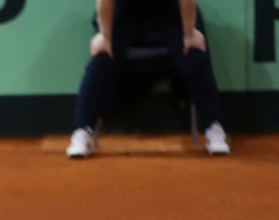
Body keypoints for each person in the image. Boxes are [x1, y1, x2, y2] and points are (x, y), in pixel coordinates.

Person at [66, 0, 230, 158]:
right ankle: (82, 129)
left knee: (194, 55)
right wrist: (105, 37)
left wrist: (189, 34)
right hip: (127, 8)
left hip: (167, 7)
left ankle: (213, 125)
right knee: (103, 58)